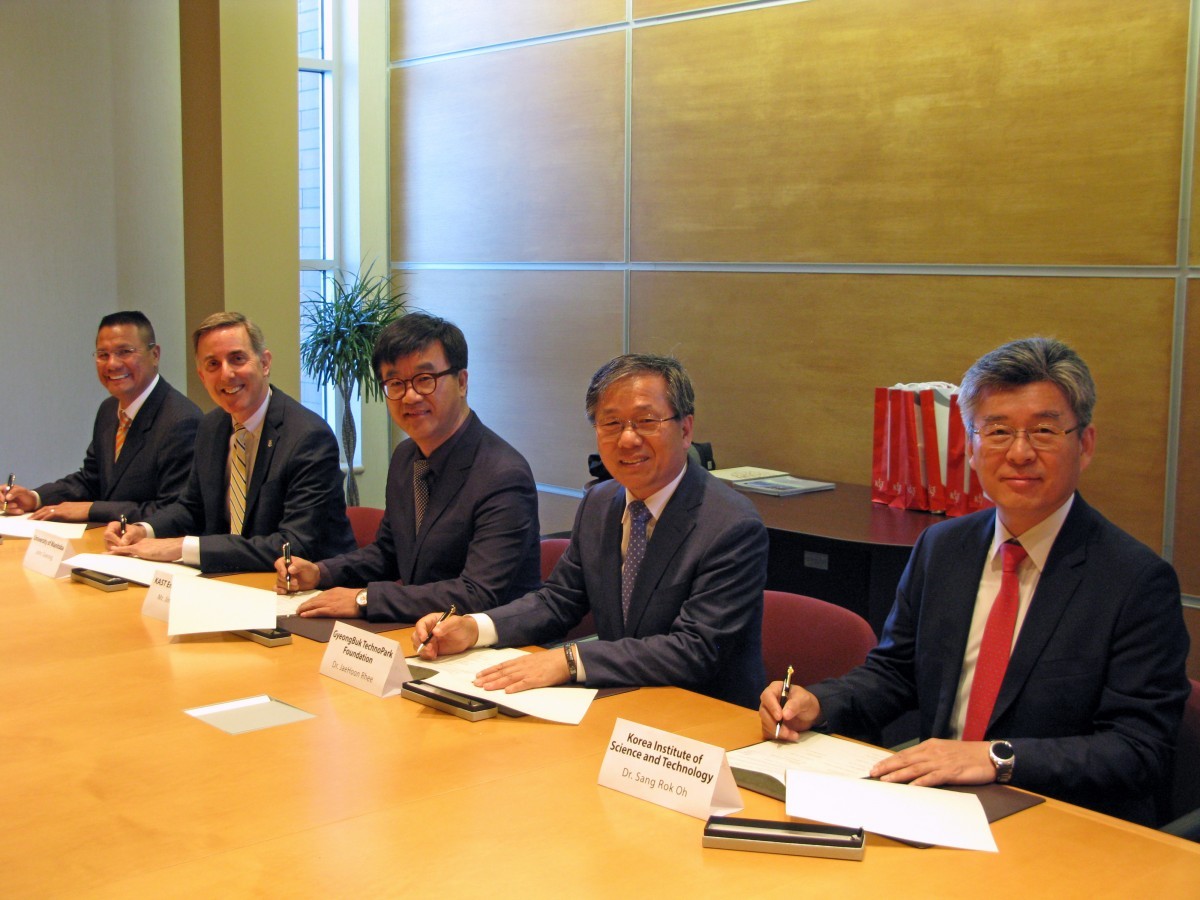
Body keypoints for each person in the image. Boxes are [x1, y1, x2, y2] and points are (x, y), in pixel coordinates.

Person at [760, 336, 1190, 825]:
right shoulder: (943, 547)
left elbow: (1138, 750)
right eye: (998, 431)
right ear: (971, 447)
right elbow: (896, 673)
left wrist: (995, 758)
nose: (1020, 453)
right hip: (936, 807)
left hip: (1056, 818)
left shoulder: (1135, 581)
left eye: (1044, 431)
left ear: (1085, 444)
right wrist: (819, 703)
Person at [412, 353, 768, 709]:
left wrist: (570, 661)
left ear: (686, 430)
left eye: (646, 421)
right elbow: (558, 600)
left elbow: (695, 649)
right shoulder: (601, 502)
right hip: (621, 703)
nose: (627, 439)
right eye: (611, 423)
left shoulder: (731, 526)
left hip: (703, 717)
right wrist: (474, 628)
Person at [274, 312, 540, 622]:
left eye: (425, 379)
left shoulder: (503, 475)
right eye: (396, 383)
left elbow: (476, 593)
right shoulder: (406, 457)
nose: (410, 396)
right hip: (420, 631)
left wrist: (364, 599)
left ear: (462, 382)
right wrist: (320, 572)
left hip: (494, 643)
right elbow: (388, 552)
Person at [105, 311, 355, 573]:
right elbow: (191, 508)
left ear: (265, 363)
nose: (226, 374)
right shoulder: (211, 427)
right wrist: (144, 530)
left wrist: (183, 547)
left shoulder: (308, 437)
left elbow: (294, 544)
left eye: (237, 359)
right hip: (233, 579)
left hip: (304, 586)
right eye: (213, 364)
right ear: (202, 376)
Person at [1, 311, 201, 523]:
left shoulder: (181, 421)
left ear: (155, 355)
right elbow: (91, 480)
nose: (112, 364)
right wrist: (35, 498)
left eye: (124, 352)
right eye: (103, 355)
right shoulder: (109, 409)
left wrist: (92, 510)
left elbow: (173, 511)